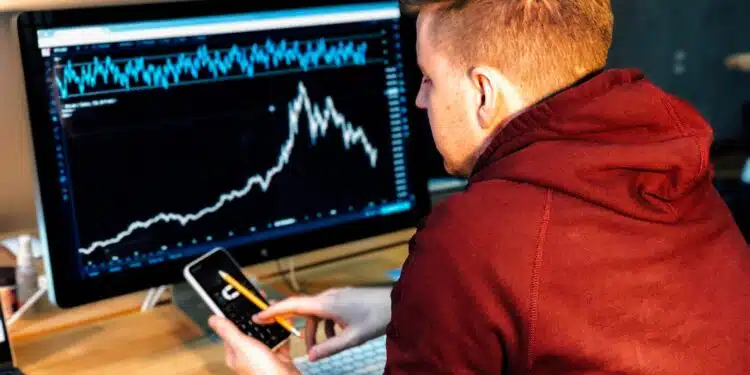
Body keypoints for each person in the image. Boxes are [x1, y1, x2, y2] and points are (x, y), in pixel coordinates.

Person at [209, 0, 750, 373]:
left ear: (483, 92)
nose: (420, 101)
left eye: (428, 78)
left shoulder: (475, 236)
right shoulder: (673, 168)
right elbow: (576, 304)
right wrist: (405, 306)